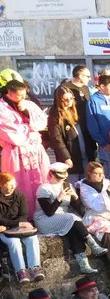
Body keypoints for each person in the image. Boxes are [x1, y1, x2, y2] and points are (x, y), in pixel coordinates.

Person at [35, 163, 104, 274]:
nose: (61, 181)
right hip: (45, 220)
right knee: (72, 217)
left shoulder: (67, 185)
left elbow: (80, 210)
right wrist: (59, 197)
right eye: (58, 178)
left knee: (75, 232)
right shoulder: (44, 189)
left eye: (63, 178)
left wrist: (75, 196)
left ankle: (84, 264)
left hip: (64, 218)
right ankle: (93, 245)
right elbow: (49, 212)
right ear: (51, 174)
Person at [0, 79, 51, 217]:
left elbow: (42, 123)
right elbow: (11, 133)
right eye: (20, 95)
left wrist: (27, 112)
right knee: (20, 185)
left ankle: (44, 213)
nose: (23, 98)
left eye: (24, 94)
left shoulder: (29, 104)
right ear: (10, 93)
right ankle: (23, 216)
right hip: (15, 152)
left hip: (36, 151)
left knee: (41, 181)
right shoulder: (2, 108)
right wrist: (29, 128)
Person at [0, 173, 43, 282]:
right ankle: (21, 272)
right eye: (10, 185)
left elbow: (24, 215)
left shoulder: (19, 195)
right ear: (1, 185)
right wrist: (17, 223)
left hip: (16, 227)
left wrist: (15, 224)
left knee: (32, 238)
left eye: (14, 184)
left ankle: (35, 268)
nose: (13, 187)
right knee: (14, 242)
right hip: (4, 230)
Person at [45, 85, 84, 178]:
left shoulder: (74, 111)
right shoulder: (55, 116)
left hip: (82, 152)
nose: (69, 102)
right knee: (72, 181)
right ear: (59, 100)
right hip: (69, 153)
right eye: (65, 100)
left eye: (71, 98)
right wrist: (66, 157)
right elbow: (56, 139)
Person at [86, 74, 110, 172]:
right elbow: (92, 124)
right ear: (102, 86)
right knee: (109, 172)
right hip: (106, 145)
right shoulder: (93, 101)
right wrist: (102, 143)